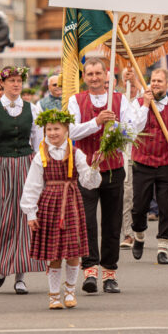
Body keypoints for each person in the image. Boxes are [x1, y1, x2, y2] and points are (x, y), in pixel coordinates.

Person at [67, 58, 143, 295]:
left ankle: (110, 273)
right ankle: (90, 270)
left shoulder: (119, 99)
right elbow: (71, 131)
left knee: (112, 222)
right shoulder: (76, 100)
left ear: (106, 76)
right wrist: (96, 122)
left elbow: (132, 130)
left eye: (98, 73)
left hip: (113, 168)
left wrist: (115, 130)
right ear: (84, 77)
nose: (94, 78)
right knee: (87, 221)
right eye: (90, 74)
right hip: (86, 169)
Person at [0, 66, 45, 294]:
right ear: (1, 84)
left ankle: (20, 277)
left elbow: (38, 142)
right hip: (0, 166)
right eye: (11, 81)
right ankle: (2, 266)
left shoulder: (32, 109)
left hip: (25, 165)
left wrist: (41, 169)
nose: (16, 84)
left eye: (18, 81)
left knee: (24, 219)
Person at [21, 109, 101, 309]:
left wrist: (94, 167)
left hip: (71, 203)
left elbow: (89, 182)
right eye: (49, 129)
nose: (52, 133)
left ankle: (70, 291)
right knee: (54, 253)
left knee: (73, 252)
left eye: (56, 129)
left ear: (66, 130)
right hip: (49, 204)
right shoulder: (41, 154)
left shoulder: (76, 153)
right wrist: (31, 213)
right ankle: (54, 295)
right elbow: (32, 185)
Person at [129, 68, 168, 265]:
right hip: (142, 162)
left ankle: (163, 247)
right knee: (139, 207)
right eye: (153, 80)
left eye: (159, 81)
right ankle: (139, 235)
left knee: (166, 207)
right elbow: (134, 129)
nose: (155, 83)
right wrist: (145, 105)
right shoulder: (138, 103)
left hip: (166, 163)